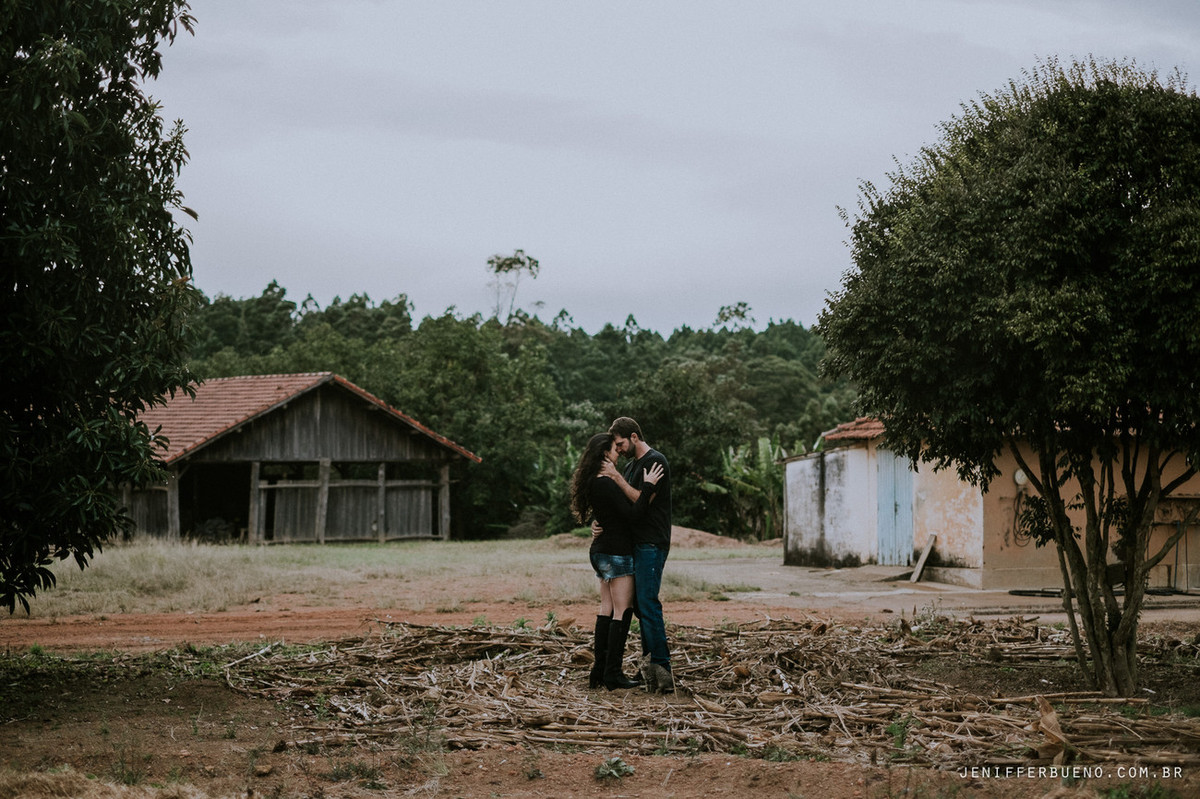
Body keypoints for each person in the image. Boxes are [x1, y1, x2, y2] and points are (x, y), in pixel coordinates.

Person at [569, 432, 664, 690]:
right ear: (604, 454)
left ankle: (598, 672)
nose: (617, 453)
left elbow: (609, 514)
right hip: (617, 552)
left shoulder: (592, 481)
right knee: (623, 611)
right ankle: (613, 673)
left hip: (600, 551)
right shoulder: (607, 482)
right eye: (614, 449)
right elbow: (634, 514)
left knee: (606, 609)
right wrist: (649, 487)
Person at [598, 416, 674, 693]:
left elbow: (640, 500)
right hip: (635, 543)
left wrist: (616, 477)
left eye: (620, 444)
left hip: (652, 542)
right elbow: (624, 506)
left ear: (633, 436)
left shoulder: (656, 462)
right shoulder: (632, 466)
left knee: (648, 603)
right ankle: (648, 667)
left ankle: (663, 670)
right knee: (641, 607)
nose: (618, 450)